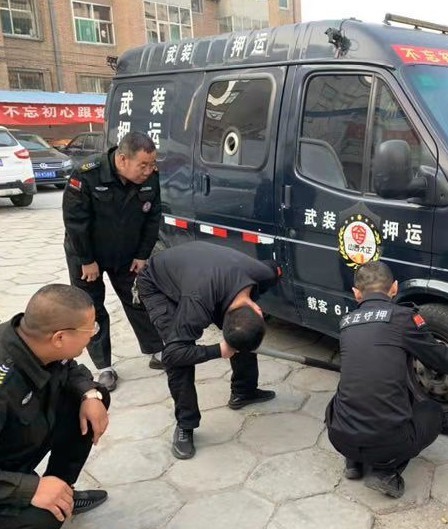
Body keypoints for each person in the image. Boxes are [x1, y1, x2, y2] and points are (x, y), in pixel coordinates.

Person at [325, 261, 448, 498]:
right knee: (432, 413)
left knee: (346, 392)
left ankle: (353, 461)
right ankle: (386, 471)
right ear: (395, 288)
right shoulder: (404, 318)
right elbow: (444, 362)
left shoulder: (346, 323)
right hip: (387, 444)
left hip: (339, 437)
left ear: (356, 293)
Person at [135, 241, 281, 459]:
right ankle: (185, 425)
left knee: (245, 334)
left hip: (200, 272)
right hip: (157, 283)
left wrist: (237, 343)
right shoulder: (197, 305)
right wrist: (219, 350)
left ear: (259, 310)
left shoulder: (265, 274)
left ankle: (244, 391)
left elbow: (276, 267)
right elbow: (172, 355)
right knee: (180, 351)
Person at [62, 131, 165, 392]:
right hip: (88, 255)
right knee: (92, 308)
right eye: (143, 165)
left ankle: (156, 350)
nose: (148, 171)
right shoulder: (87, 174)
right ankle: (104, 367)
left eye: (152, 164)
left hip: (127, 255)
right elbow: (75, 222)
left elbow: (153, 218)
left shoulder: (150, 178)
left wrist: (142, 254)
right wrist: (86, 260)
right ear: (122, 159)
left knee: (138, 300)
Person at [0, 285, 110, 529]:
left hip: (14, 451)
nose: (93, 335)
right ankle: (46, 499)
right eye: (90, 329)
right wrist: (29, 489)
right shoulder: (4, 384)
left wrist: (90, 394)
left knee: (92, 398)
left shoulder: (33, 340)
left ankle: (61, 492)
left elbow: (69, 368)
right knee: (43, 519)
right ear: (59, 338)